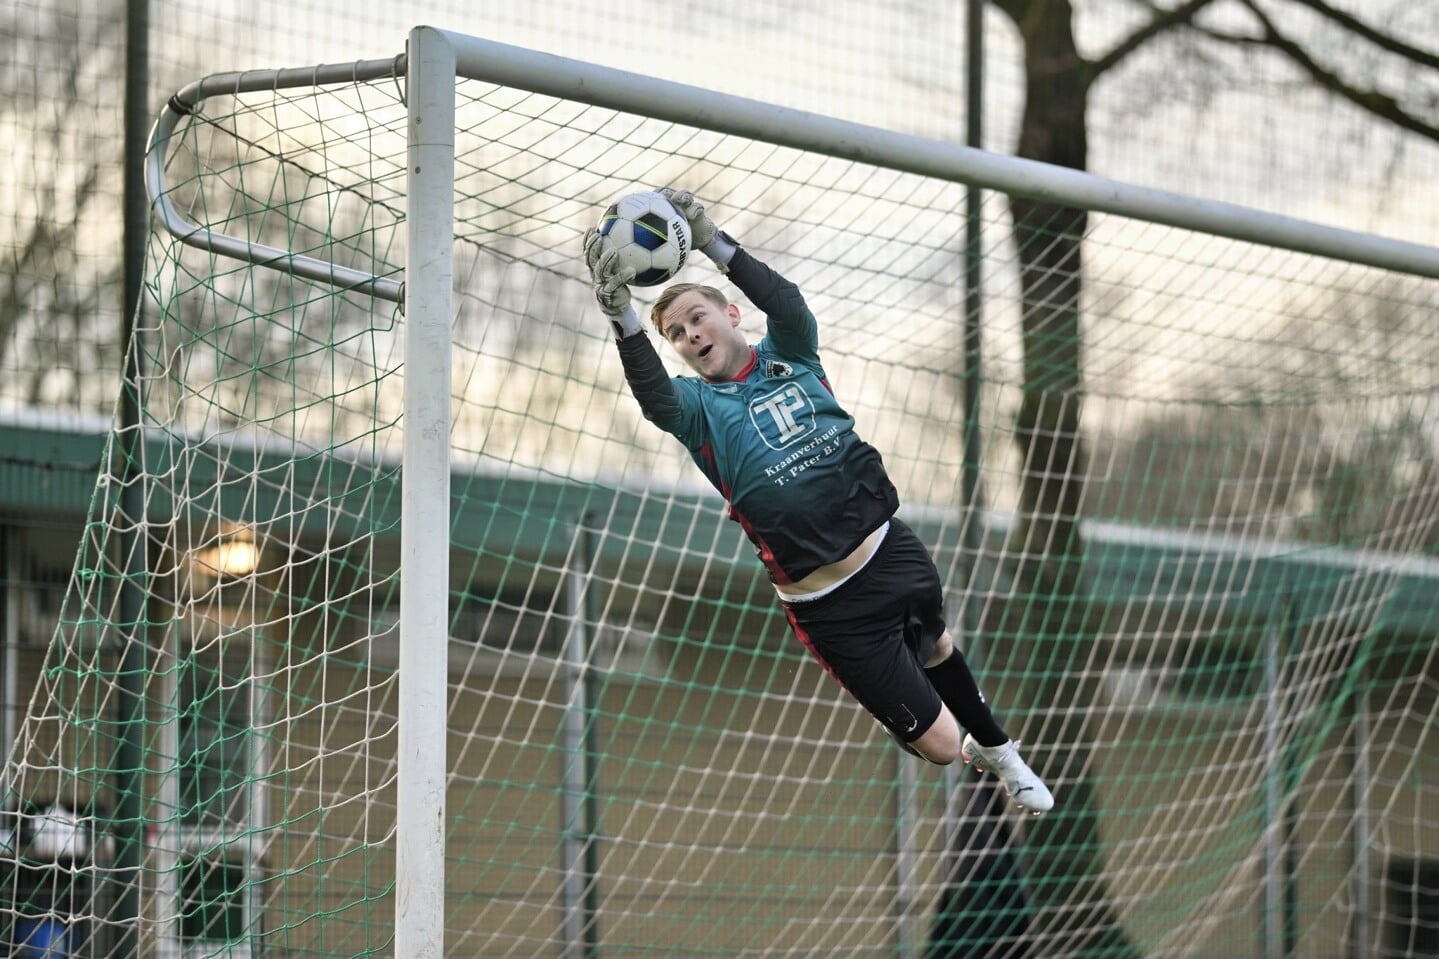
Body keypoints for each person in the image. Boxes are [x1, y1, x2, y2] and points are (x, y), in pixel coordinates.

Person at [583, 190, 1053, 815]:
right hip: (832, 607)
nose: (691, 332)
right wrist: (623, 315)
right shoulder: (698, 411)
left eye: (698, 316)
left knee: (937, 645)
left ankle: (1002, 751)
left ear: (731, 314)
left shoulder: (794, 357)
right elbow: (652, 395)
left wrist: (709, 238)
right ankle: (950, 734)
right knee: (941, 745)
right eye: (675, 333)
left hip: (890, 549)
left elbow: (788, 303)